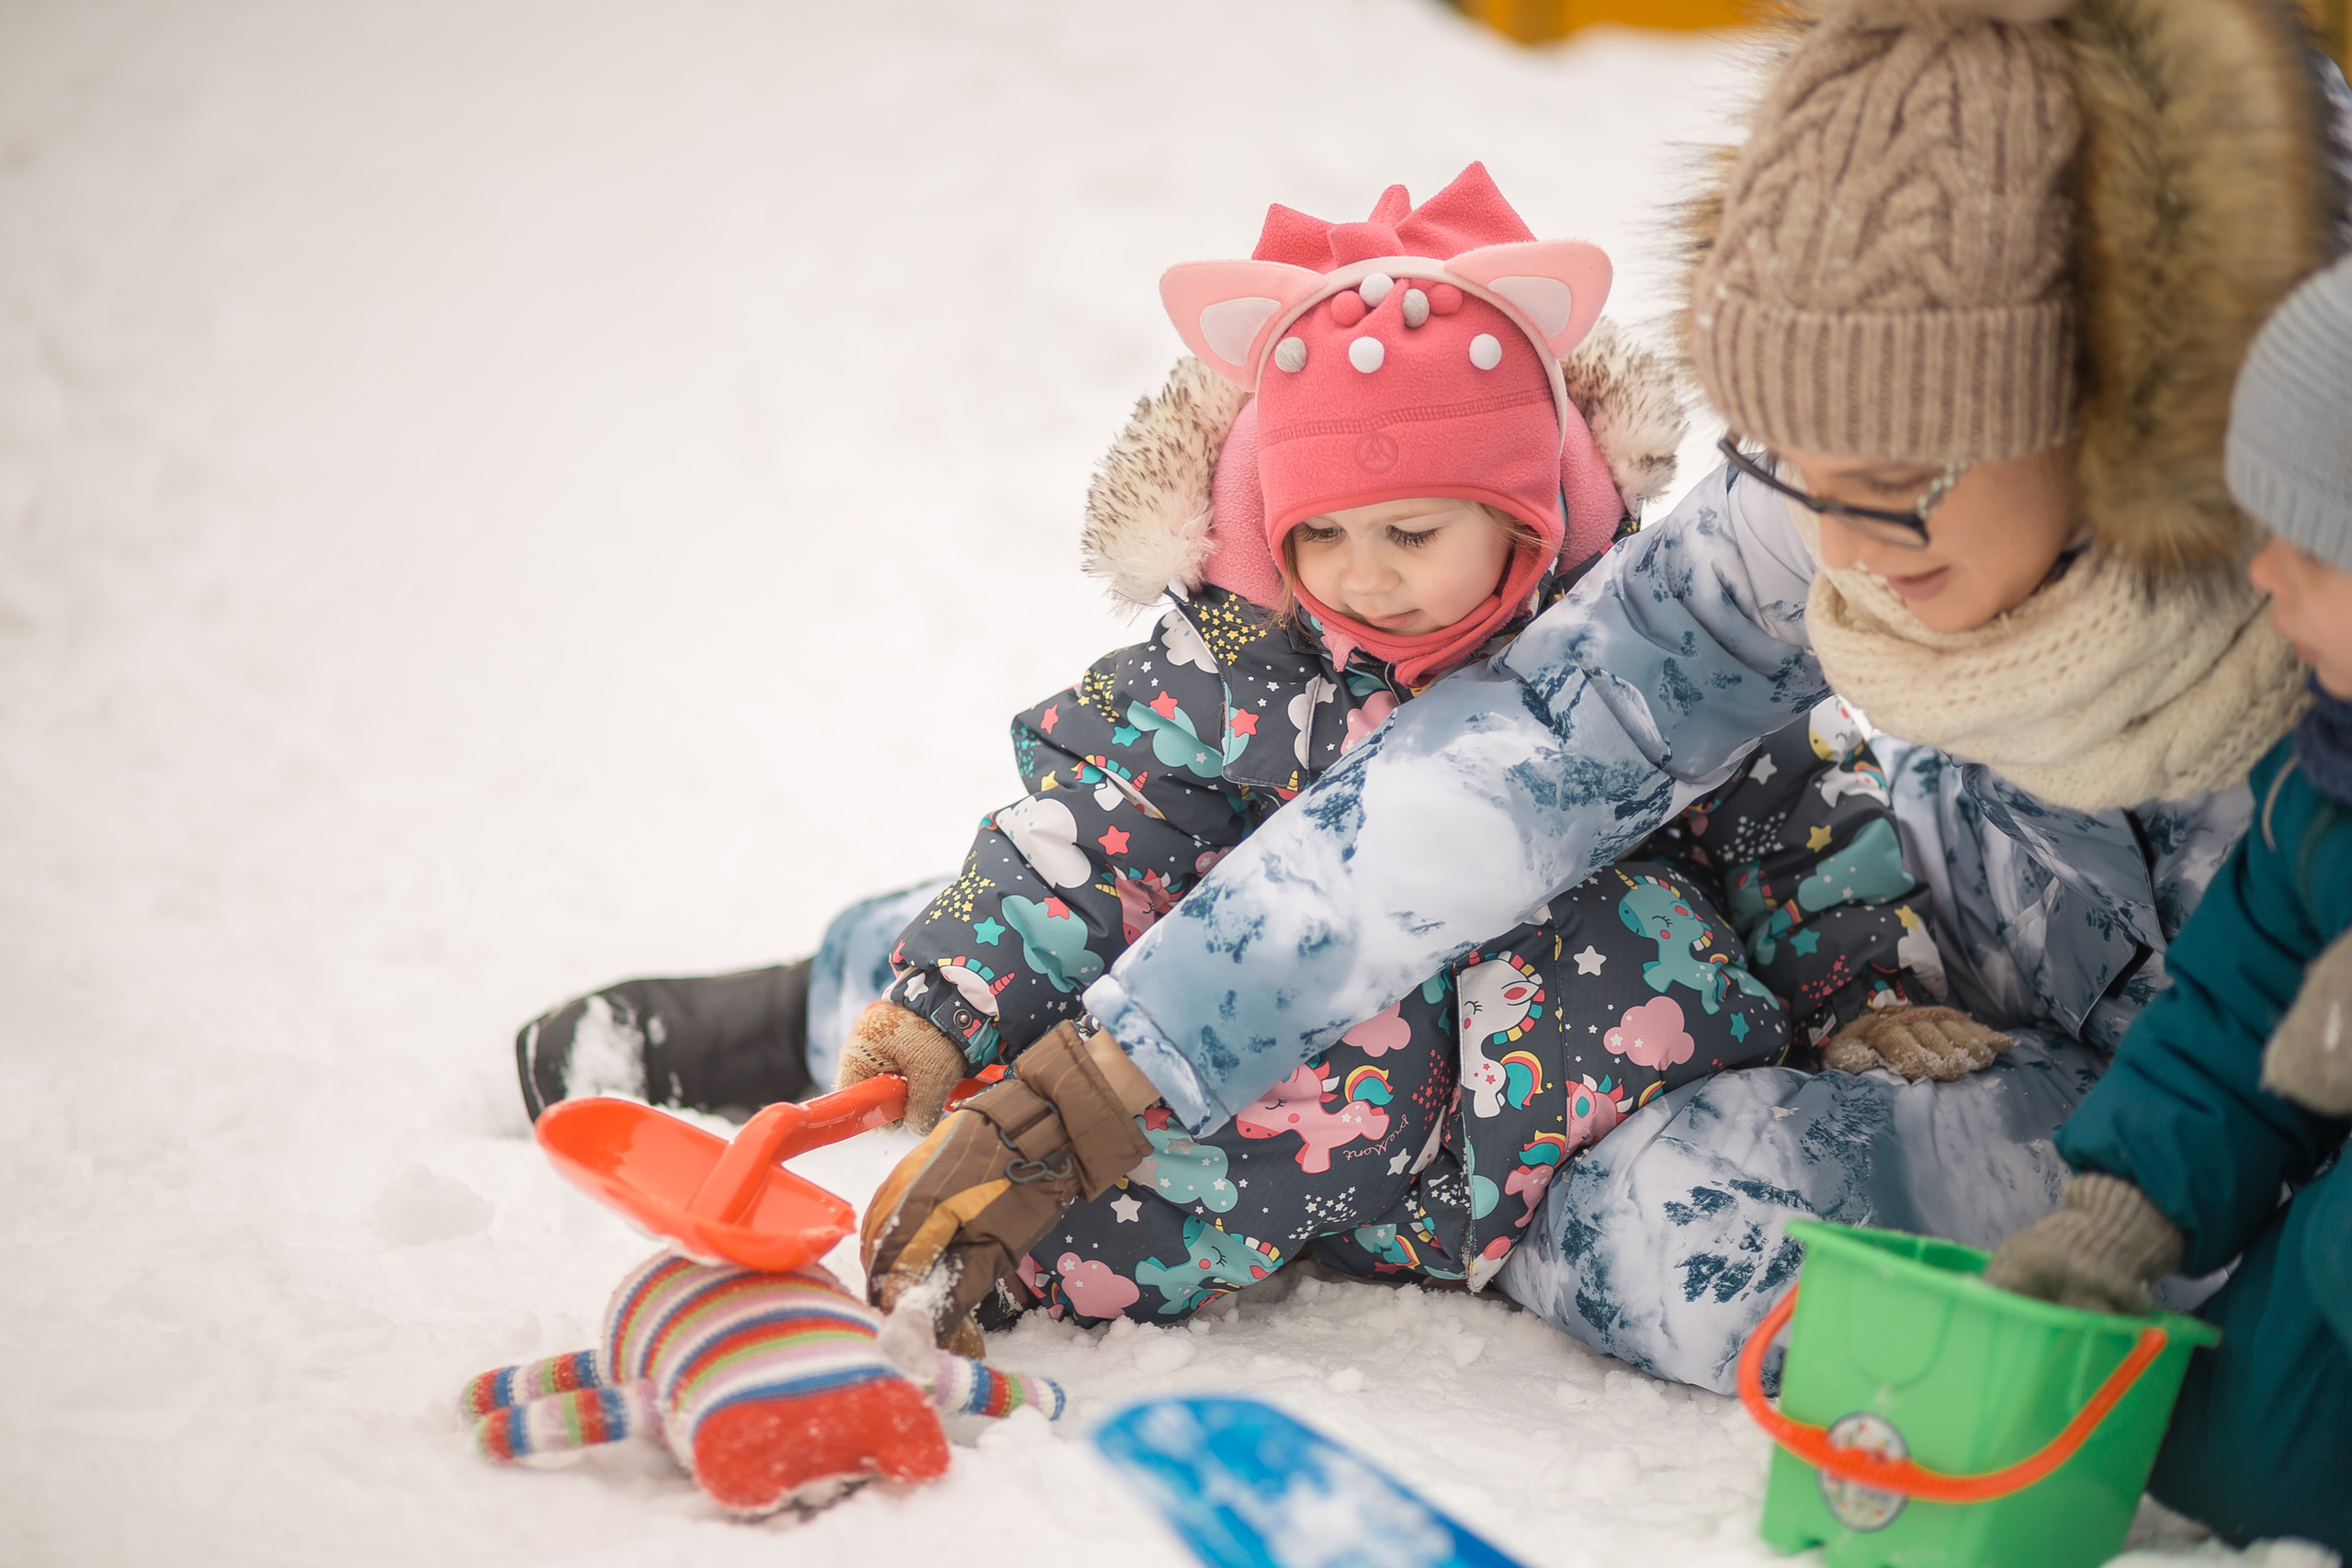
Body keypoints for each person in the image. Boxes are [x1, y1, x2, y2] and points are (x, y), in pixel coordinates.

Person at [858, 0, 2345, 1422]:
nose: (1832, 544)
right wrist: (1106, 1073)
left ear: (2128, 416)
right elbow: (1537, 750)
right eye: (1798, 473)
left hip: (2216, 1123)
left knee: (1699, 1223)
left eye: (1892, 485)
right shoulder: (1857, 475)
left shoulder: (2314, 568)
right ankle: (867, 977)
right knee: (1121, 932)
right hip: (1963, 971)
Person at [518, 166, 1967, 1332]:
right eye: (1319, 532)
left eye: (1413, 533)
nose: (1362, 574)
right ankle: (837, 1003)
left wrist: (1859, 990)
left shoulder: (1632, 649)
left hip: (1556, 1098)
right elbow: (1093, 836)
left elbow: (1796, 814)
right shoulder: (1238, 666)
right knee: (1067, 969)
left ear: (1526, 514)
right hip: (1288, 1082)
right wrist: (950, 1007)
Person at [1982, 254, 2352, 1553]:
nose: (2265, 575)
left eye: (2313, 547)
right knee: (2228, 1469)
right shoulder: (2326, 780)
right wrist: (2116, 1220)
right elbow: (2240, 1013)